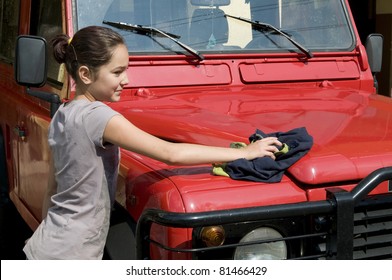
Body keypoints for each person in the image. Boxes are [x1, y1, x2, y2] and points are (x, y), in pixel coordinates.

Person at [23, 26, 282, 260]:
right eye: (117, 72)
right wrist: (244, 153)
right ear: (85, 74)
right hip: (71, 257)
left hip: (48, 246)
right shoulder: (98, 116)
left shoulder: (63, 113)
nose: (127, 80)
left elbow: (51, 189)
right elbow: (169, 153)